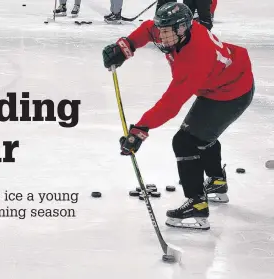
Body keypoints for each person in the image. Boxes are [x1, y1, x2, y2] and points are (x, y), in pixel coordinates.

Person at [102, 2, 254, 230]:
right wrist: (127, 46)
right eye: (161, 30)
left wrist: (140, 129)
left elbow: (171, 104)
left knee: (186, 141)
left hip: (231, 92)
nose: (161, 37)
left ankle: (197, 205)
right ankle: (217, 182)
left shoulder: (196, 58)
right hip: (220, 84)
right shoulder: (173, 29)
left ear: (182, 29)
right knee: (203, 133)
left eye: (166, 32)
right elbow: (148, 29)